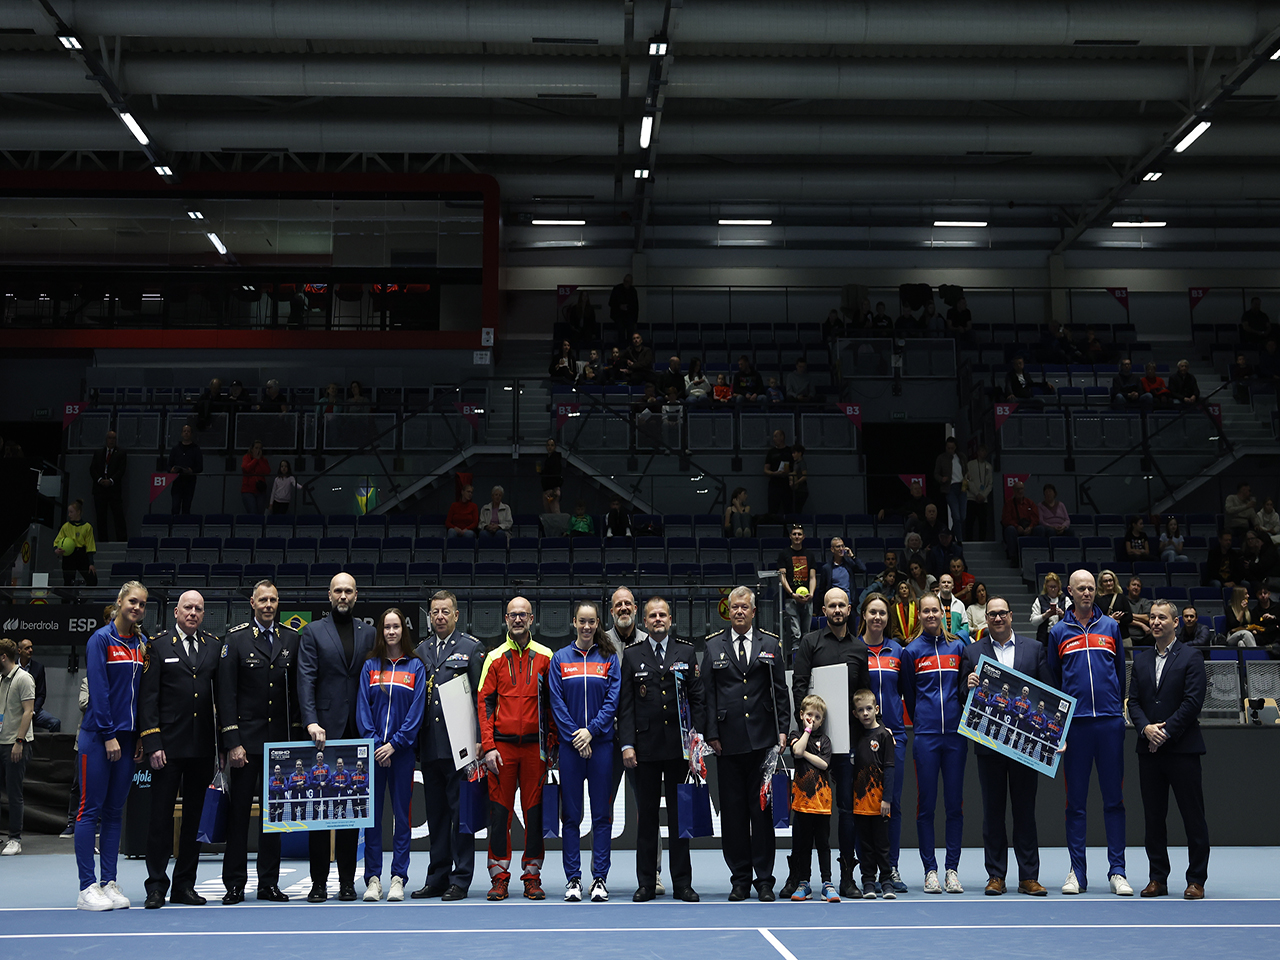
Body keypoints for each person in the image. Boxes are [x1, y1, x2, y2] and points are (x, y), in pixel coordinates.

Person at [218, 580, 302, 904]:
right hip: (246, 745)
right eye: (263, 600)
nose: (268, 605)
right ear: (252, 603)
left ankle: (268, 883)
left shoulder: (291, 639)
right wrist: (232, 741)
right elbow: (226, 694)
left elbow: (296, 694)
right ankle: (234, 884)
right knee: (239, 816)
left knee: (274, 818)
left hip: (279, 745)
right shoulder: (236, 639)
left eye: (273, 600)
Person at [702, 587, 789, 901]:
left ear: (754, 611)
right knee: (733, 814)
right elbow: (707, 694)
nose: (739, 612)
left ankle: (764, 880)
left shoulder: (771, 644)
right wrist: (711, 734)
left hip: (763, 741)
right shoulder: (713, 646)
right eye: (734, 607)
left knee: (761, 812)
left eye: (744, 607)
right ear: (729, 612)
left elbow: (780, 691)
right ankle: (739, 879)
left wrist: (783, 730)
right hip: (727, 742)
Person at [1048, 570, 1131, 896]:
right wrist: (1062, 725)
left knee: (1114, 800)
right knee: (1075, 804)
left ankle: (1118, 871)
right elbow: (1055, 680)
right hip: (1076, 728)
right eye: (1081, 588)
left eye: (1091, 588)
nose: (1087, 593)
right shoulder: (1058, 632)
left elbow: (1120, 674)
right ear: (1069, 591)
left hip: (1109, 723)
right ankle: (1077, 873)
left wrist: (1115, 711)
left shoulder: (1111, 627)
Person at [962, 596, 1049, 896]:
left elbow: (1049, 694)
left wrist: (1055, 736)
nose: (997, 618)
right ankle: (996, 875)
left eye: (1002, 613)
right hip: (989, 744)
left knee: (1025, 811)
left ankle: (1029, 877)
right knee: (993, 812)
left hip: (1025, 746)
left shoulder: (1034, 649)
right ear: (985, 618)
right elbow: (961, 695)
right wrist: (968, 685)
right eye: (992, 614)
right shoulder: (973, 651)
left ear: (1011, 615)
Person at [788, 588, 871, 899]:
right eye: (831, 605)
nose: (837, 610)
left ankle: (846, 876)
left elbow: (864, 693)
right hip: (813, 743)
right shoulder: (810, 642)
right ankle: (798, 876)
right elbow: (799, 686)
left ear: (849, 609)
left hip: (847, 743)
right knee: (804, 811)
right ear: (823, 610)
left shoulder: (859, 648)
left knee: (847, 809)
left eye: (841, 605)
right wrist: (807, 729)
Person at [137, 590, 218, 907]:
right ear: (176, 611)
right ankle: (156, 886)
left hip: (202, 748)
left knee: (194, 821)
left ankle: (184, 885)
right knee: (160, 819)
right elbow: (148, 699)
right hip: (167, 748)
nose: (193, 613)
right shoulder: (157, 646)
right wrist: (152, 742)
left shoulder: (213, 646)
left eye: (198, 609)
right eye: (188, 608)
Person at [298, 572, 376, 902]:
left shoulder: (368, 633)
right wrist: (311, 722)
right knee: (319, 811)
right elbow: (306, 679)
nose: (343, 596)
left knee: (350, 811)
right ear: (329, 595)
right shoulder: (313, 631)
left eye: (348, 591)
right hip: (323, 733)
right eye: (338, 591)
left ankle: (346, 882)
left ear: (356, 596)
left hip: (357, 729)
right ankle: (318, 883)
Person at [619, 597, 702, 902]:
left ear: (670, 619)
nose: (657, 619)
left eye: (662, 615)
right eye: (652, 615)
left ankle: (682, 883)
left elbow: (697, 699)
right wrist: (627, 744)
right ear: (644, 621)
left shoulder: (686, 652)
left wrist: (697, 742)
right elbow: (626, 705)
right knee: (647, 819)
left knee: (680, 819)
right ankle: (646, 883)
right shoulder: (632, 655)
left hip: (680, 749)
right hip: (645, 749)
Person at [1128, 600, 1209, 900]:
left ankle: (1196, 879)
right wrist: (1145, 729)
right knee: (1153, 818)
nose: (1155, 622)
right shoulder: (1141, 660)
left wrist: (1163, 732)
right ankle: (1157, 878)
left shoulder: (1191, 656)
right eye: (1152, 617)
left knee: (1193, 817)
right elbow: (1134, 702)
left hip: (1182, 749)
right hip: (1149, 751)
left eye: (1162, 617)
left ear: (1176, 623)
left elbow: (1193, 702)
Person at [75, 581, 147, 911]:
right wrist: (108, 735)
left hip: (128, 739)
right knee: (90, 810)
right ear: (119, 602)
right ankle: (86, 887)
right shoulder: (100, 640)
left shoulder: (141, 644)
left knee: (115, 812)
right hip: (98, 737)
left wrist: (141, 735)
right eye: (132, 601)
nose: (137, 608)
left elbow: (143, 695)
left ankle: (109, 882)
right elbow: (99, 690)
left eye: (142, 604)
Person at [479, 596, 556, 901]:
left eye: (523, 614)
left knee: (534, 814)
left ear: (532, 619)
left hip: (535, 751)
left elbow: (553, 705)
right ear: (506, 619)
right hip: (502, 751)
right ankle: (499, 878)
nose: (518, 619)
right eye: (513, 615)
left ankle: (532, 877)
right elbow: (485, 704)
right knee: (500, 815)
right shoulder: (494, 657)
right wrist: (488, 747)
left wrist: (551, 744)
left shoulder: (546, 656)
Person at [412, 591, 484, 901]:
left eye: (445, 611)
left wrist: (480, 739)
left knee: (461, 815)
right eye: (435, 612)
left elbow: (482, 699)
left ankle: (461, 878)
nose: (439, 617)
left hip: (461, 747)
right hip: (430, 746)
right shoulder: (420, 651)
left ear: (456, 615)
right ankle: (437, 877)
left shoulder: (471, 648)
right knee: (437, 816)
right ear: (429, 616)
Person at [548, 601, 620, 903]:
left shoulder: (609, 657)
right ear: (574, 623)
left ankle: (599, 878)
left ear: (598, 623)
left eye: (592, 622)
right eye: (582, 621)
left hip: (602, 746)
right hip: (570, 748)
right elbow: (556, 702)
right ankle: (573, 879)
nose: (587, 627)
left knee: (602, 816)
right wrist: (577, 736)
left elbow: (613, 700)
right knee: (571, 816)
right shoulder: (560, 659)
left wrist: (591, 731)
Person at [356, 607, 426, 903]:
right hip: (373, 755)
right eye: (387, 627)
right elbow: (362, 709)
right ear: (381, 632)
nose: (391, 632)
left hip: (402, 753)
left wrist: (395, 744)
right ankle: (373, 879)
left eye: (396, 627)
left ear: (403, 631)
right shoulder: (370, 666)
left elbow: (416, 713)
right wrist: (375, 744)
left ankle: (398, 878)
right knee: (372, 819)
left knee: (402, 817)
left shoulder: (416, 667)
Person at [900, 593, 968, 894]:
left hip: (955, 736)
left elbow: (964, 689)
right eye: (925, 611)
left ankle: (952, 870)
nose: (930, 615)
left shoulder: (958, 647)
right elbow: (910, 695)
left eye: (935, 610)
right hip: (926, 736)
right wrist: (924, 721)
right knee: (926, 806)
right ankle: (930, 870)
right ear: (919, 615)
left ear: (943, 613)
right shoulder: (911, 651)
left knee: (954, 805)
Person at [858, 593, 908, 893]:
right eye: (872, 612)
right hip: (862, 738)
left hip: (894, 737)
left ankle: (891, 868)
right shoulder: (854, 649)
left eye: (882, 613)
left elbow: (906, 691)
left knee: (892, 804)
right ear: (863, 615)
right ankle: (865, 871)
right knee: (862, 805)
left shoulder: (898, 651)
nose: (877, 617)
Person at [785, 695, 837, 902]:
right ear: (801, 715)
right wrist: (806, 732)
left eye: (817, 717)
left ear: (822, 720)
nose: (812, 720)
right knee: (803, 846)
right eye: (809, 715)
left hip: (822, 804)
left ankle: (827, 883)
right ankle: (803, 883)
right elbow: (796, 750)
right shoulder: (796, 735)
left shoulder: (825, 741)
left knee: (823, 845)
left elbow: (824, 764)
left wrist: (805, 755)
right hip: (802, 804)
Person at [847, 689, 897, 900]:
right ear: (855, 713)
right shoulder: (855, 736)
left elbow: (890, 769)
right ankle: (868, 881)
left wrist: (887, 799)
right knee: (865, 846)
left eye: (869, 708)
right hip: (860, 804)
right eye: (860, 710)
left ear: (876, 709)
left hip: (880, 804)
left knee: (882, 845)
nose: (865, 713)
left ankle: (886, 882)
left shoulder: (884, 736)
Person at [0, 638, 35, 858]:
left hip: (16, 744)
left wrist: (19, 742)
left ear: (3, 657)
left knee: (14, 793)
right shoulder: (0, 679)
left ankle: (15, 838)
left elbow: (28, 711)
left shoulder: (24, 678)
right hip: (1, 741)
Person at [777, 523, 817, 656]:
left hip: (807, 600)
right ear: (790, 536)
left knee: (806, 634)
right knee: (796, 634)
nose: (797, 536)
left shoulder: (809, 554)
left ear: (803, 536)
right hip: (791, 599)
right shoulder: (784, 554)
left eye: (799, 534)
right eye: (794, 534)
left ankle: (807, 660)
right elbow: (782, 577)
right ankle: (795, 662)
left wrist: (811, 594)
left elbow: (812, 577)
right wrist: (792, 594)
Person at [89, 430, 127, 541]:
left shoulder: (121, 453)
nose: (112, 440)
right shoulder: (98, 453)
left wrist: (111, 480)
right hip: (100, 490)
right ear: (106, 439)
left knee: (118, 516)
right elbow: (92, 469)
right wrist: (100, 480)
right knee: (101, 517)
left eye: (114, 438)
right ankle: (102, 541)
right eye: (110, 438)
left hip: (114, 490)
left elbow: (121, 470)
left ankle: (122, 541)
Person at [16, 639, 60, 732]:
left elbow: (41, 694)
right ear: (19, 651)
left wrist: (33, 711)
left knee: (55, 722)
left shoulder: (38, 668)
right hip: (15, 710)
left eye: (31, 647)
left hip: (32, 709)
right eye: (27, 648)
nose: (31, 650)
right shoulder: (12, 667)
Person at [54, 499, 97, 588]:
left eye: (71, 512)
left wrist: (91, 563)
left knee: (92, 580)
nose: (69, 515)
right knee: (68, 582)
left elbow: (90, 545)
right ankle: (67, 597)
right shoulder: (66, 526)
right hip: (69, 555)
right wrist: (56, 549)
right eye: (69, 512)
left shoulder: (87, 527)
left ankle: (84, 596)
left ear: (78, 512)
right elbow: (57, 540)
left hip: (82, 554)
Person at [1001, 480, 1044, 561]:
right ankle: (1014, 557)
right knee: (1010, 530)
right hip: (1015, 528)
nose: (1020, 491)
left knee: (1040, 529)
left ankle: (1038, 555)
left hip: (1029, 528)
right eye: (1017, 489)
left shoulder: (1030, 503)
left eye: (1021, 489)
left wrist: (1030, 527)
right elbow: (1006, 519)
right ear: (1013, 491)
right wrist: (1016, 526)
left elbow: (1035, 518)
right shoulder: (1009, 503)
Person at [167, 423, 203, 515]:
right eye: (184, 431)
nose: (186, 433)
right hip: (177, 482)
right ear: (181, 434)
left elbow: (200, 467)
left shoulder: (196, 449)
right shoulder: (175, 449)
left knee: (186, 508)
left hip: (189, 483)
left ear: (191, 434)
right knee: (175, 507)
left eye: (188, 431)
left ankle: (184, 524)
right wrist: (171, 470)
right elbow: (169, 465)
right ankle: (174, 523)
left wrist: (191, 471)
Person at [933, 436, 967, 533]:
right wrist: (941, 479)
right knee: (956, 516)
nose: (950, 450)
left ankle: (950, 534)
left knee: (963, 516)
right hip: (950, 488)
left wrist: (967, 476)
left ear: (955, 447)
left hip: (962, 486)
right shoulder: (941, 458)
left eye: (952, 448)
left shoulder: (961, 457)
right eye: (948, 448)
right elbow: (936, 473)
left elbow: (966, 470)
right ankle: (959, 539)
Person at [821, 537, 863, 605]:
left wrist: (853, 556)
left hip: (850, 603)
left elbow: (862, 569)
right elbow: (822, 590)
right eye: (838, 547)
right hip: (834, 604)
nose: (841, 549)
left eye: (842, 546)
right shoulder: (826, 568)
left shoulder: (849, 564)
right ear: (832, 549)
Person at [964, 445, 993, 542]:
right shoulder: (970, 464)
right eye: (982, 451)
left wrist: (983, 495)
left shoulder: (989, 466)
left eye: (985, 451)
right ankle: (968, 542)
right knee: (969, 522)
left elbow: (990, 484)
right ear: (978, 452)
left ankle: (982, 542)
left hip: (983, 500)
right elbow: (968, 481)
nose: (984, 453)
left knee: (983, 523)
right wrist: (977, 493)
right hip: (971, 498)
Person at [1029, 572, 1067, 645]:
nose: (1053, 589)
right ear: (1046, 587)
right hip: (1044, 638)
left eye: (1055, 587)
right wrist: (1045, 616)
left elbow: (1073, 619)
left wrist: (1063, 615)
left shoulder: (1065, 599)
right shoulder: (1040, 600)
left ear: (1059, 586)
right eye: (1050, 587)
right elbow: (1033, 621)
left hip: (1062, 636)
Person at [1095, 569, 1132, 638]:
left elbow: (1130, 617)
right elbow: (1095, 618)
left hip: (1122, 635)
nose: (1109, 583)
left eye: (1110, 580)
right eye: (1105, 581)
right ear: (1101, 583)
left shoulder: (1121, 597)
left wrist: (1118, 621)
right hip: (1105, 635)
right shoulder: (1097, 599)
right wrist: (1110, 619)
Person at [764, 429, 793, 516]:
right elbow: (766, 469)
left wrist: (789, 474)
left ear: (782, 437)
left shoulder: (790, 451)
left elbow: (795, 467)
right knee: (773, 509)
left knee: (788, 508)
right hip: (774, 484)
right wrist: (774, 473)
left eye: (776, 436)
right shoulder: (771, 452)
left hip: (787, 483)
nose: (774, 439)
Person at [240, 440, 270, 515]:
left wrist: (259, 460)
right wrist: (255, 459)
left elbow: (267, 471)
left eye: (260, 448)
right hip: (248, 491)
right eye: (256, 448)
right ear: (252, 449)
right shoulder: (246, 457)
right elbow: (246, 469)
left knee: (260, 512)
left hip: (260, 490)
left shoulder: (263, 460)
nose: (258, 450)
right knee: (252, 511)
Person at [608, 274, 639, 343]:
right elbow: (611, 302)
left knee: (630, 332)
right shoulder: (617, 289)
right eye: (625, 281)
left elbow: (635, 307)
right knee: (621, 331)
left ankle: (628, 346)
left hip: (629, 316)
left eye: (627, 281)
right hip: (619, 316)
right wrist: (619, 306)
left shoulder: (633, 291)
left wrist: (635, 320)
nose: (625, 283)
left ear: (631, 282)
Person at [1125, 576, 1154, 648]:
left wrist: (1129, 615)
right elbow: (1123, 619)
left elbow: (1147, 618)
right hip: (1128, 636)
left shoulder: (1145, 602)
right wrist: (1141, 624)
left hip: (1144, 636)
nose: (1136, 587)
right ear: (1128, 587)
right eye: (1133, 585)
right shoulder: (1123, 600)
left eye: (1138, 586)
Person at [539, 438, 563, 509]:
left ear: (555, 447)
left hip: (551, 489)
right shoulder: (549, 459)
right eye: (548, 445)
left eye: (552, 445)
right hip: (548, 488)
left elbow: (555, 473)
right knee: (550, 510)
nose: (550, 447)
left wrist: (553, 489)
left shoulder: (554, 459)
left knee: (554, 510)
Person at [789, 444, 810, 512]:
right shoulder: (795, 463)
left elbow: (804, 476)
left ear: (800, 453)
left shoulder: (802, 463)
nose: (793, 455)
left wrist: (796, 483)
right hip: (796, 490)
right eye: (792, 453)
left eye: (794, 453)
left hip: (801, 490)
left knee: (797, 509)